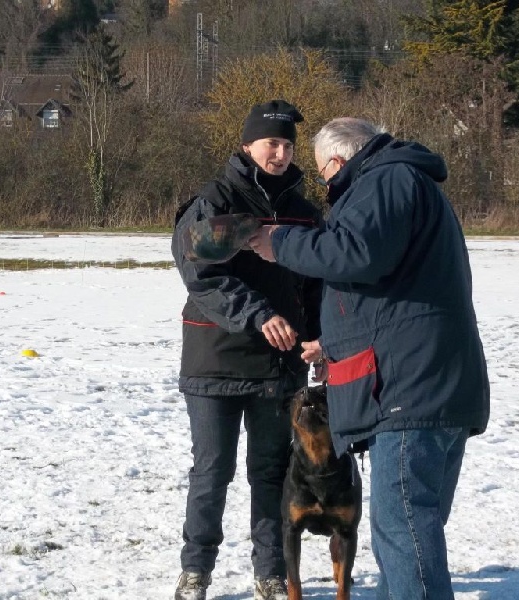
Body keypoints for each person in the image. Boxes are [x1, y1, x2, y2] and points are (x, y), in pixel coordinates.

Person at [248, 117, 490, 599]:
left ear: (338, 162)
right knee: (405, 536)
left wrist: (279, 243)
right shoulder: (405, 181)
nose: (326, 188)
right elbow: (392, 294)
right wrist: (334, 345)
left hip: (410, 392)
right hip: (432, 383)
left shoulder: (385, 180)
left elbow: (355, 253)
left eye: (324, 176)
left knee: (404, 535)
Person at [170, 100, 323, 600]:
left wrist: (320, 337)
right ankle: (196, 571)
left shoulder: (304, 213)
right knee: (212, 471)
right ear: (246, 146)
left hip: (280, 365)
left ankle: (271, 573)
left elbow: (317, 285)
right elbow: (202, 275)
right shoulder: (216, 201)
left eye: (287, 146)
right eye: (270, 144)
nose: (280, 154)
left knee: (272, 472)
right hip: (215, 358)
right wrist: (259, 315)